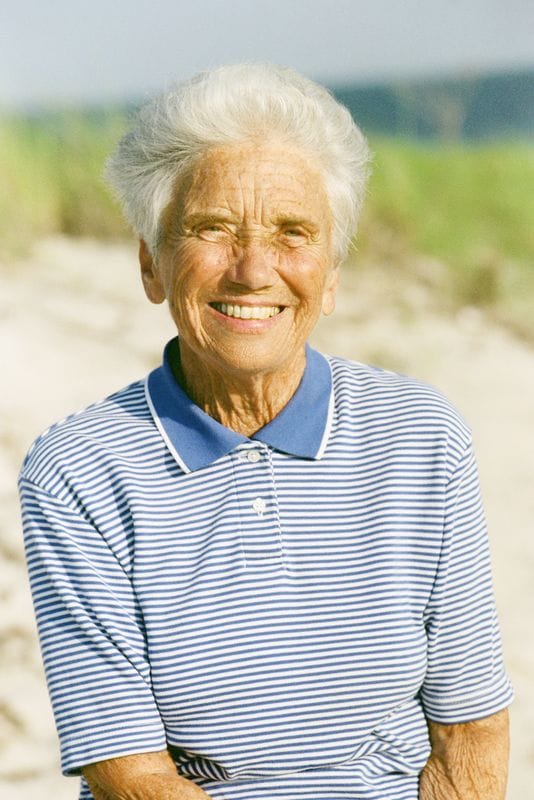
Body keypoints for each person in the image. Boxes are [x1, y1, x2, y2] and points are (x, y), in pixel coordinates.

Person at [19, 63, 513, 800]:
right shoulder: (80, 469)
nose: (253, 270)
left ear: (333, 272)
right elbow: (131, 774)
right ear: (152, 264)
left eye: (293, 233)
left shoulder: (419, 436)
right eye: (212, 229)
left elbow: (470, 735)